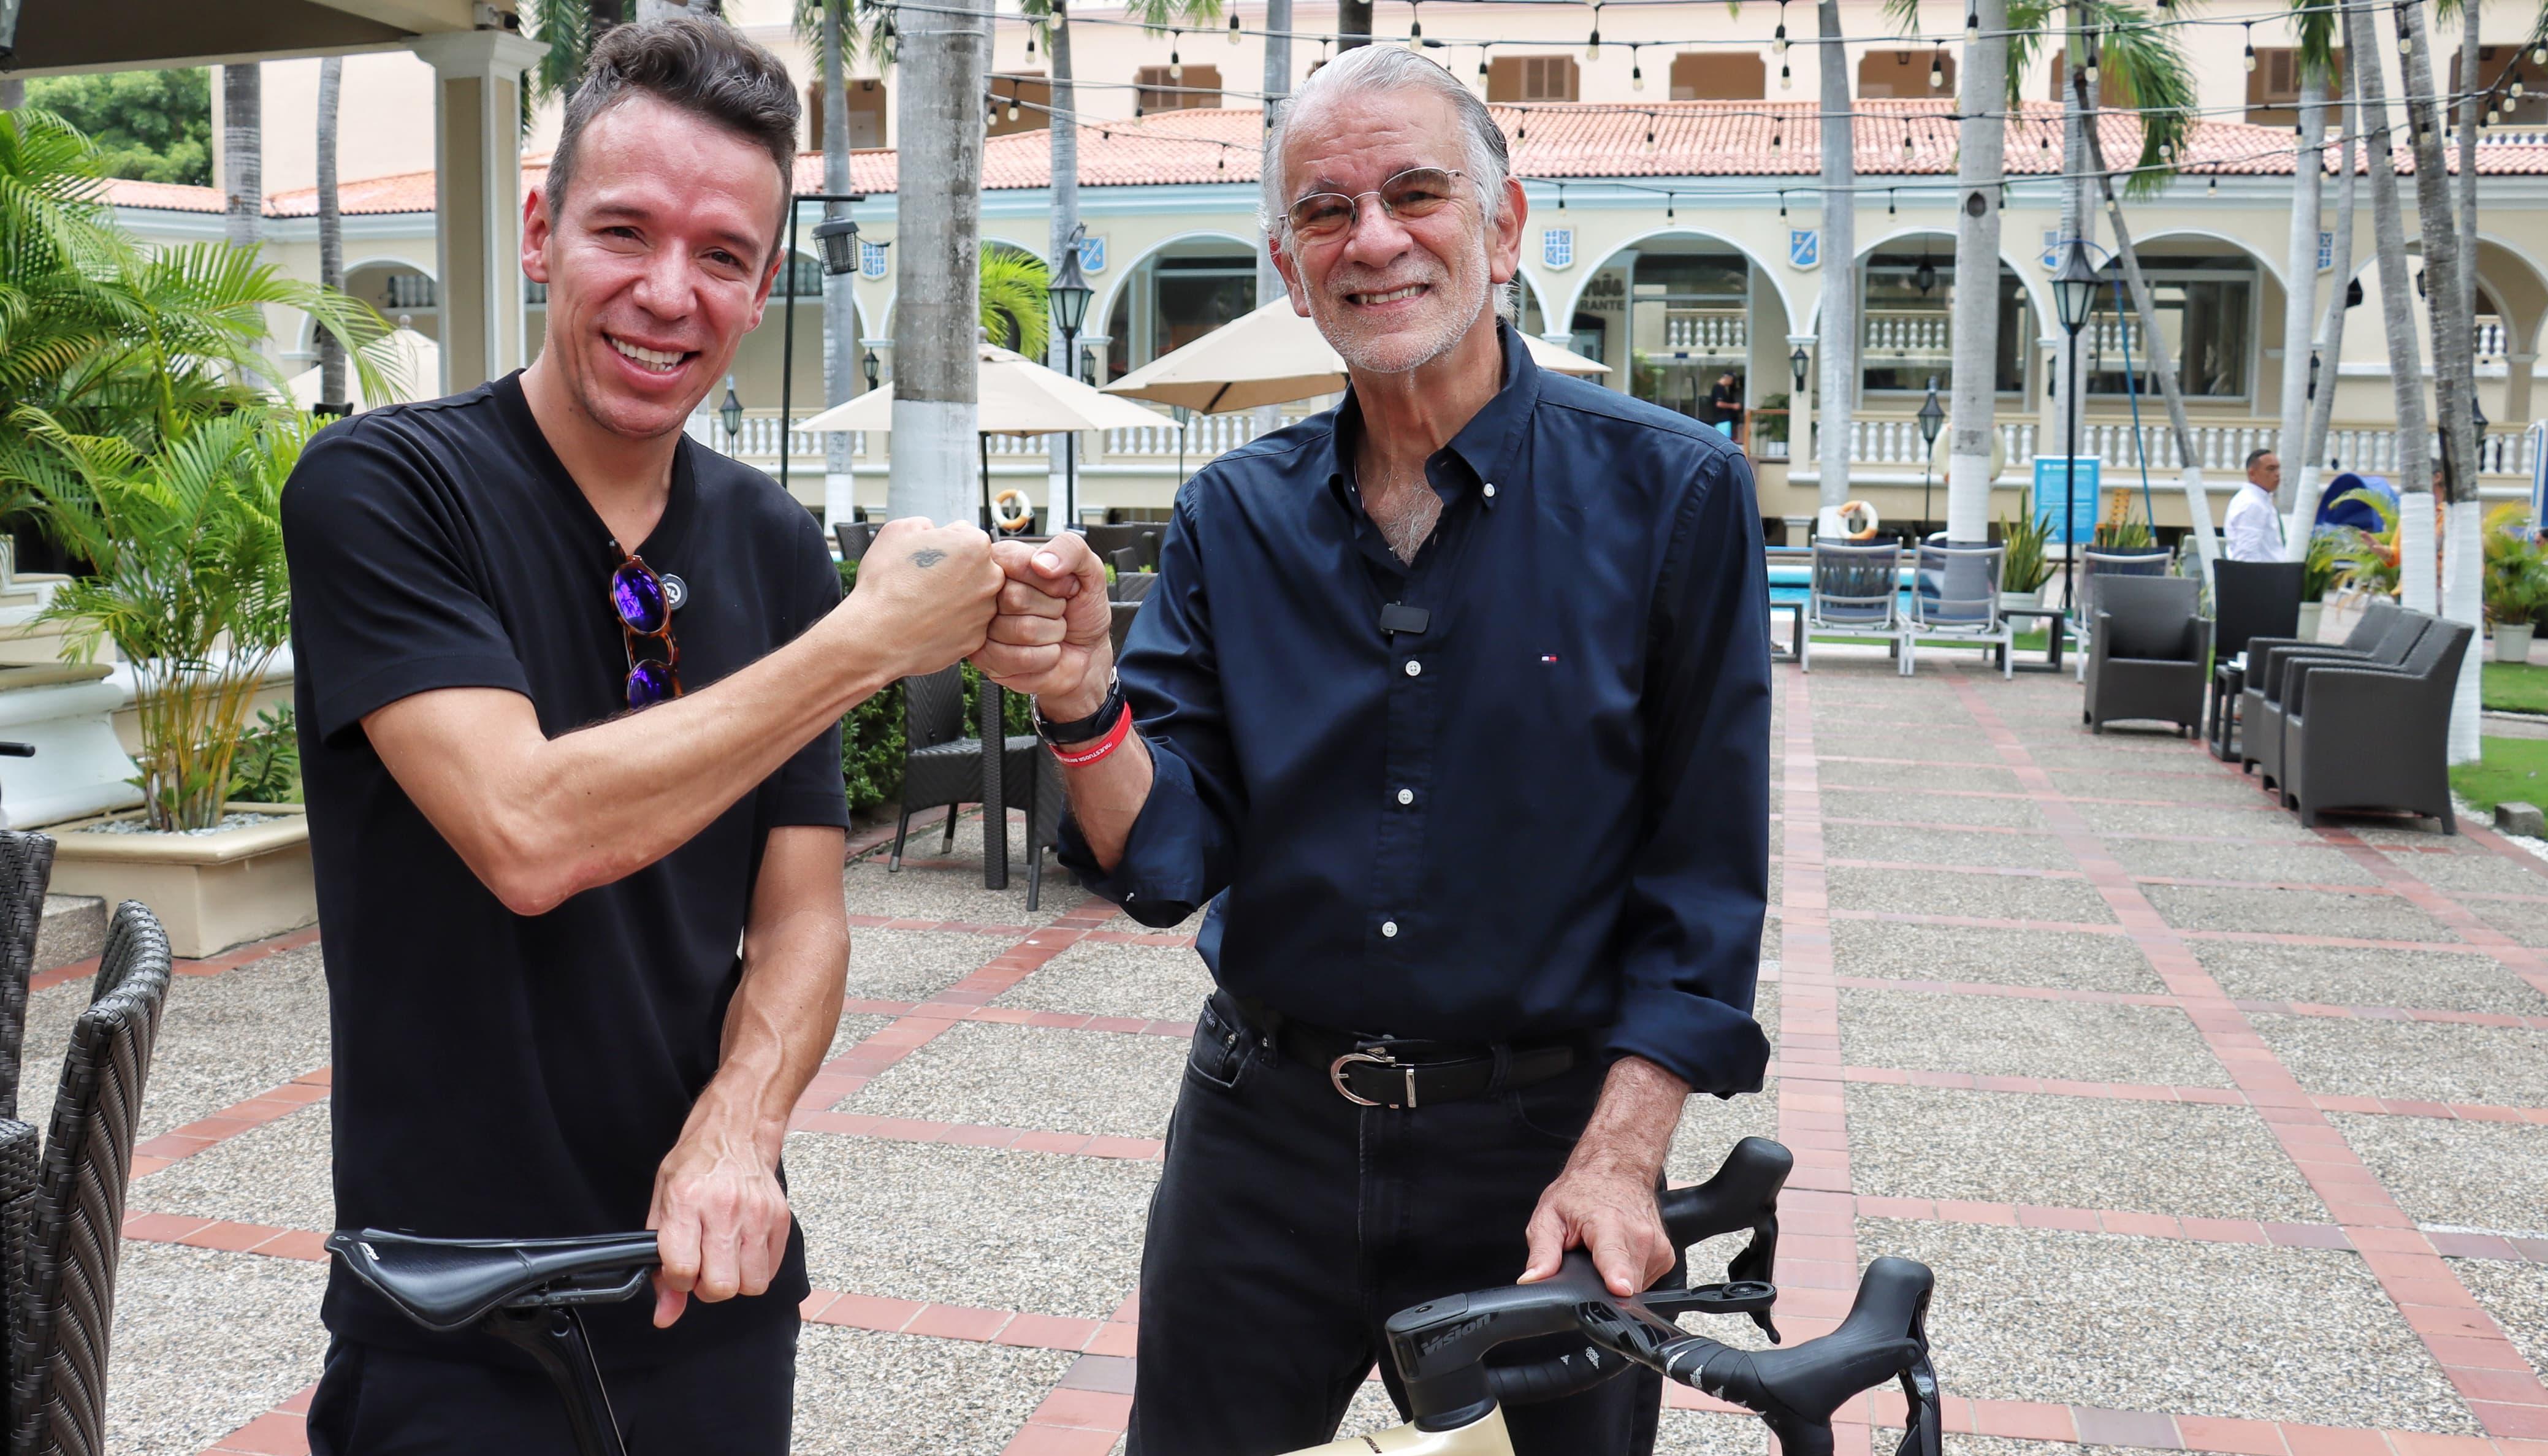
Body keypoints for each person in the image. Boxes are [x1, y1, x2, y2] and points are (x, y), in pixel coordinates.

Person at [973, 45, 1771, 1456]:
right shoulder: (1231, 515)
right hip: (1260, 1136)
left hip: (1544, 1139)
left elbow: (1701, 878)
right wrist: (1081, 704)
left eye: (1416, 193)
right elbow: (1164, 860)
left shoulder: (1671, 493)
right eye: (1328, 213)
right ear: (1289, 266)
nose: (1375, 239)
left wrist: (1624, 1151)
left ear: (1503, 227)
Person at [280, 18, 999, 1452]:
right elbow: (529, 832)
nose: (668, 294)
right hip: (451, 1312)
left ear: (760, 286)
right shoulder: (386, 489)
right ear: (541, 229)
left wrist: (742, 1120)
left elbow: (798, 918)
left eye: (723, 255)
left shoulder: (771, 539)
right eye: (625, 232)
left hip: (708, 1289)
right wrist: (864, 645)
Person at [2226, 447, 2286, 562]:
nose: (2277, 474)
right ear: (2252, 474)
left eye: (2278, 469)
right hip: (2261, 576)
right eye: (2271, 469)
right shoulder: (2252, 504)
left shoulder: (2261, 500)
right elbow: (2246, 553)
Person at [1708, 370, 1741, 438]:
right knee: (1724, 440)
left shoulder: (1723, 388)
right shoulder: (1718, 388)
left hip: (1724, 420)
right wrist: (1733, 406)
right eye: (1732, 380)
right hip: (1722, 420)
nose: (1732, 383)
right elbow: (1719, 404)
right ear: (1728, 378)